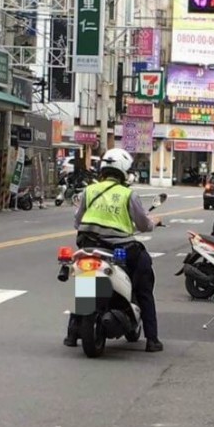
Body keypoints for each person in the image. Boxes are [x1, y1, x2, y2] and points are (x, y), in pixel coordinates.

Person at [64, 147, 164, 352]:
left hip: (89, 245)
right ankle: (152, 339)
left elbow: (77, 221)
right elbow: (144, 225)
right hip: (122, 247)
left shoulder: (88, 191)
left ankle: (72, 335)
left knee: (86, 281)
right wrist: (154, 222)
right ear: (125, 171)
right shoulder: (128, 194)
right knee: (144, 281)